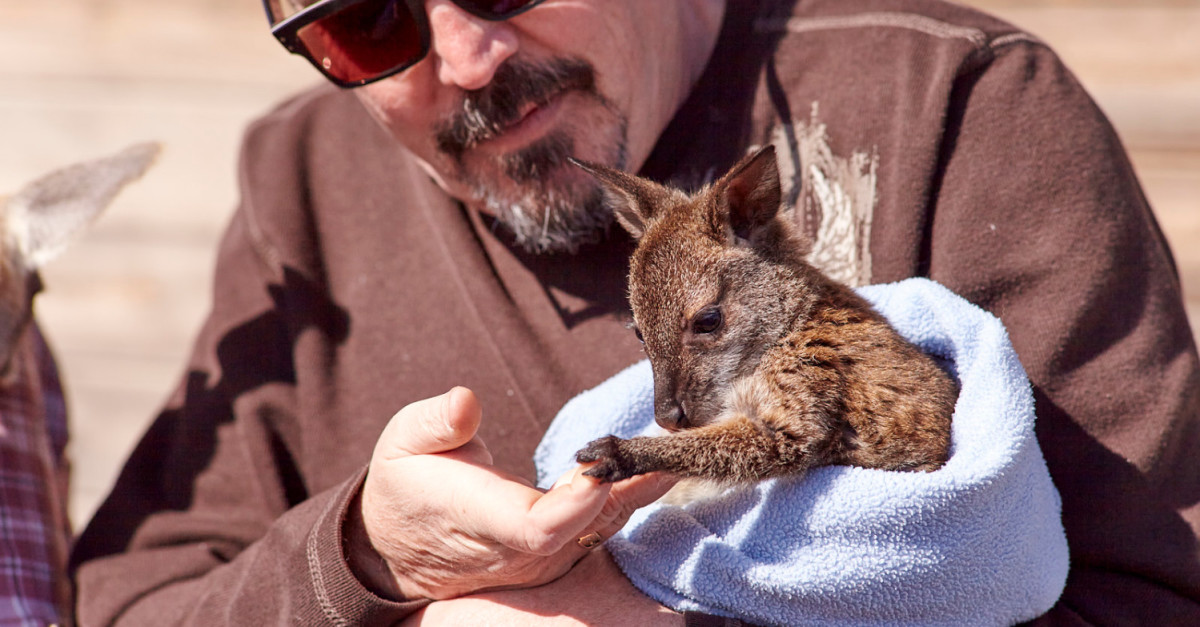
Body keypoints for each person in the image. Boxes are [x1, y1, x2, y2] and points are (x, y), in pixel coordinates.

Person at [69, 0, 1200, 624]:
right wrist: (368, 563)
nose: (466, 59)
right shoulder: (301, 180)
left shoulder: (954, 104)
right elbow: (130, 608)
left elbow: (1146, 600)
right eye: (368, 23)